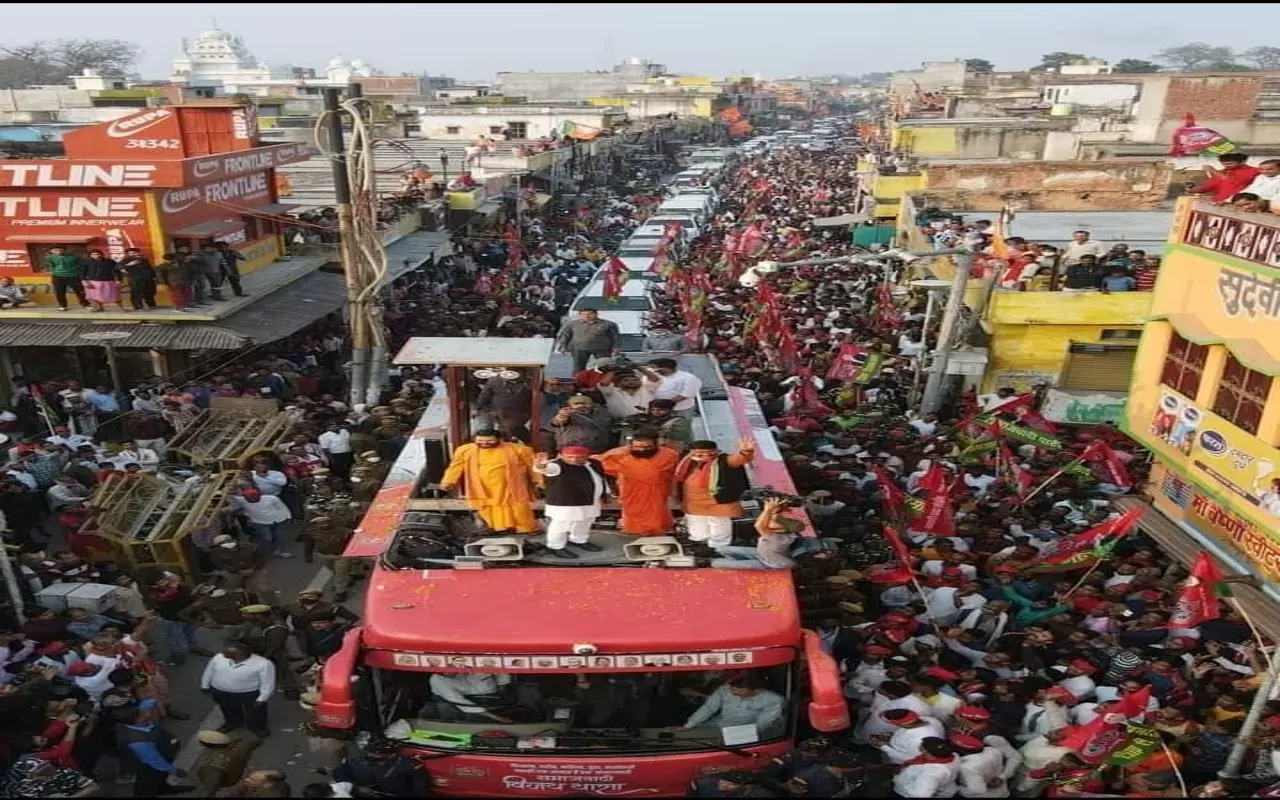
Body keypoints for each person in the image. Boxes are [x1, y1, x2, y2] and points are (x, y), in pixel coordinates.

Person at [438, 428, 538, 534]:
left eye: (489, 441)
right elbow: (455, 467)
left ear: (500, 439)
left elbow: (532, 466)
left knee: (520, 509)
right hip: (482, 487)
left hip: (511, 487)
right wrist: (448, 481)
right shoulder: (465, 450)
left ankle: (526, 531)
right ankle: (499, 530)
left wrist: (538, 480)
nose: (485, 444)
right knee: (487, 509)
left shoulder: (519, 449)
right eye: (480, 441)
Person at [676, 438, 756, 550]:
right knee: (698, 531)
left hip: (718, 502)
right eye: (700, 453)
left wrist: (746, 451)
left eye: (709, 453)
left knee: (719, 529)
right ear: (692, 452)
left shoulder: (724, 460)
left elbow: (739, 459)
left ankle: (720, 551)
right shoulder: (685, 461)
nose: (705, 456)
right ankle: (700, 549)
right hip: (693, 502)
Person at [532, 446, 608, 559]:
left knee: (585, 521)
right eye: (570, 457)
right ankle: (555, 547)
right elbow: (546, 469)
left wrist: (605, 494)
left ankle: (579, 540)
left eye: (579, 457)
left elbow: (600, 479)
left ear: (587, 456)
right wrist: (541, 465)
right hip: (565, 503)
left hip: (590, 501)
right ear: (562, 456)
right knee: (561, 525)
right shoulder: (557, 465)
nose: (574, 460)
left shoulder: (593, 463)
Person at [598, 432, 680, 535]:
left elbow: (669, 473)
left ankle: (657, 531)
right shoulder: (621, 455)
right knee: (632, 513)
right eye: (637, 447)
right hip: (631, 490)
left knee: (657, 514)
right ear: (630, 445)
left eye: (647, 447)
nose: (642, 449)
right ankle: (634, 531)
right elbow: (601, 462)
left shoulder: (669, 455)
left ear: (656, 445)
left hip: (656, 491)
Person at [200, 642, 276, 738]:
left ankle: (258, 727)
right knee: (228, 709)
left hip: (249, 694)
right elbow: (209, 671)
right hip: (222, 692)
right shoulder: (218, 657)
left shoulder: (263, 664)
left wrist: (262, 698)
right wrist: (205, 685)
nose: (223, 653)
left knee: (256, 712)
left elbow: (268, 682)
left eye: (228, 652)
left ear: (240, 655)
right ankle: (232, 723)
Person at [115, 700, 192, 795]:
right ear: (139, 719)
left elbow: (149, 703)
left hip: (161, 754)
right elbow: (154, 760)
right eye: (144, 712)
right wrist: (174, 770)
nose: (148, 711)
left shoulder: (136, 723)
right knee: (148, 786)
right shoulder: (139, 741)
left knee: (160, 779)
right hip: (149, 767)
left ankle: (163, 788)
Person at [677, 673, 785, 735]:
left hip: (746, 732)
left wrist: (734, 736)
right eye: (733, 690)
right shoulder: (723, 690)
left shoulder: (774, 700)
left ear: (756, 690)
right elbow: (709, 708)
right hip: (718, 726)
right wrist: (689, 725)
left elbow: (761, 725)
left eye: (740, 691)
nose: (734, 693)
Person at [710, 496, 799, 570]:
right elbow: (772, 517)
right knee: (721, 549)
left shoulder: (776, 538)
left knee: (716, 563)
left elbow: (759, 525)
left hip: (770, 564)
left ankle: (733, 561)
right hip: (760, 554)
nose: (771, 519)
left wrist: (767, 509)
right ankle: (736, 560)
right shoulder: (782, 531)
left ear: (781, 529)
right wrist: (775, 507)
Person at [427, 671, 516, 723]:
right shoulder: (438, 680)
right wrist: (497, 718)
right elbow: (460, 702)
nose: (446, 673)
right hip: (453, 704)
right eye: (442, 672)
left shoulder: (479, 662)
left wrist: (503, 689)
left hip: (490, 698)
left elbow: (500, 671)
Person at [232, 487, 294, 559]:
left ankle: (280, 551)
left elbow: (282, 507)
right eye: (249, 499)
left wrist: (289, 517)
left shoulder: (272, 498)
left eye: (254, 498)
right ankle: (269, 551)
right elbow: (231, 497)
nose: (252, 500)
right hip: (260, 523)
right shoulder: (241, 501)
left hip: (278, 520)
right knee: (267, 538)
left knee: (280, 537)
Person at [192, 729, 258, 796]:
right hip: (242, 773)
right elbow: (254, 743)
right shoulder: (239, 744)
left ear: (207, 745)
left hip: (230, 784)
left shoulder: (211, 767)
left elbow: (211, 788)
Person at [892, 736, 961, 799]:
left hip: (905, 793)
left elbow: (921, 795)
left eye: (923, 743)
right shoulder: (954, 756)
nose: (920, 743)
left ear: (925, 750)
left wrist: (899, 782)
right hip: (945, 787)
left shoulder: (931, 773)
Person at [555, 307, 620, 371]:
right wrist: (563, 346)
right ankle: (579, 380)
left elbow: (615, 337)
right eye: (583, 314)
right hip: (579, 348)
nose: (587, 316)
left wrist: (615, 347)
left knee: (604, 366)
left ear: (596, 314)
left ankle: (602, 380)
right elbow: (566, 336)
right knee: (578, 367)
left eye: (590, 314)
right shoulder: (572, 324)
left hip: (602, 348)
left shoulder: (608, 324)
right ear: (580, 315)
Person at [547, 393, 614, 454]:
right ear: (570, 405)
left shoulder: (602, 414)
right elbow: (557, 422)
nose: (581, 405)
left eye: (585, 403)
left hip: (598, 451)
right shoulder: (567, 415)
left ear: (592, 404)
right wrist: (561, 416)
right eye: (577, 404)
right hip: (572, 452)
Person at [1189, 152, 1261, 203]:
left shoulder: (1253, 171)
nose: (1227, 166)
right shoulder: (1221, 172)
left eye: (1231, 164)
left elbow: (1234, 182)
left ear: (1242, 162)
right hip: (1218, 203)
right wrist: (1188, 189)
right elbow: (1205, 188)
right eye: (1223, 164)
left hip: (1238, 204)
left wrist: (1214, 171)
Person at [42, 245, 89, 311]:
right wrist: (50, 272)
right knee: (60, 292)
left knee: (79, 291)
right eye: (55, 251)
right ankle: (62, 305)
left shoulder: (74, 257)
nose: (58, 252)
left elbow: (82, 265)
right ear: (51, 251)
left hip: (73, 276)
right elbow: (48, 267)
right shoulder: (49, 258)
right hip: (58, 276)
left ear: (65, 250)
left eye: (60, 250)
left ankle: (86, 304)